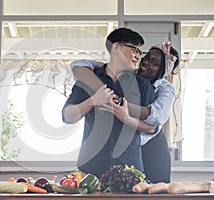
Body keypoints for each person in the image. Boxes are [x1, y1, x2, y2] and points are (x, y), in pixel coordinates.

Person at [70, 41, 179, 183]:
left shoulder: (165, 88)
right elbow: (78, 66)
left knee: (157, 191)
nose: (145, 62)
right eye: (146, 57)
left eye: (154, 62)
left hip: (151, 147)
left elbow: (155, 120)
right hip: (127, 148)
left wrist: (116, 101)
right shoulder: (124, 73)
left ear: (162, 71)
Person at [62, 28, 156, 178]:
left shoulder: (143, 86)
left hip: (130, 169)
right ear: (117, 47)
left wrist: (127, 118)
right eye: (135, 50)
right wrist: (93, 100)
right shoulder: (88, 80)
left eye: (140, 52)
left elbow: (152, 127)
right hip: (90, 168)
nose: (138, 56)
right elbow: (67, 116)